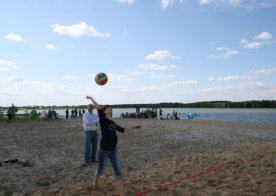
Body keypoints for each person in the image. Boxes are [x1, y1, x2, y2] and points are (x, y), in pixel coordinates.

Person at [86, 95, 141, 196]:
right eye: (108, 108)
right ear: (104, 111)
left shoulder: (112, 123)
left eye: (111, 109)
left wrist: (134, 127)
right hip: (103, 150)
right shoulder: (102, 119)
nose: (110, 110)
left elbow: (123, 130)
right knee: (100, 170)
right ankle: (95, 182)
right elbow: (98, 107)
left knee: (118, 170)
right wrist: (91, 98)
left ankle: (121, 192)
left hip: (113, 150)